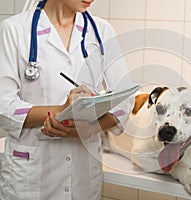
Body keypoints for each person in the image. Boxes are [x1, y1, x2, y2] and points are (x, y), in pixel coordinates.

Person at [0, 0, 133, 199]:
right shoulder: (15, 30)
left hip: (83, 173)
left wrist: (89, 129)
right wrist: (61, 110)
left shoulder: (101, 31)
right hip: (31, 175)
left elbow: (125, 101)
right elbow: (4, 106)